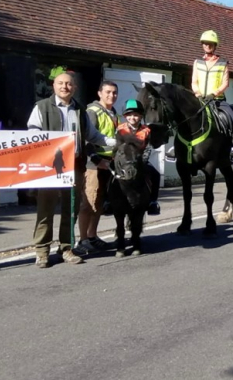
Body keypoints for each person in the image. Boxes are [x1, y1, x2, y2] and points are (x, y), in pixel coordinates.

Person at [27, 72, 116, 268]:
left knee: (70, 209)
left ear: (74, 87)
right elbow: (33, 132)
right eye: (61, 83)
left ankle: (66, 248)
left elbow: (94, 136)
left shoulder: (80, 110)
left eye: (68, 84)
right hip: (49, 169)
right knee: (46, 210)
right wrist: (49, 145)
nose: (65, 87)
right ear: (54, 86)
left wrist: (118, 142)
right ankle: (42, 251)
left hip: (74, 166)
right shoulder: (41, 107)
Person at [74, 81, 120, 256]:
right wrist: (96, 159)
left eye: (115, 93)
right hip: (94, 164)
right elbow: (86, 139)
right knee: (89, 203)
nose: (111, 96)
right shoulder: (92, 112)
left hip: (109, 163)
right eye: (108, 92)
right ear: (99, 93)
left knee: (99, 203)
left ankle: (92, 237)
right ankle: (83, 239)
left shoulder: (113, 112)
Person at [182, 30, 233, 163]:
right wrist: (198, 94)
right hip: (200, 100)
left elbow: (225, 83)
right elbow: (194, 82)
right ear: (202, 45)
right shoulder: (197, 62)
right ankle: (178, 148)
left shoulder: (223, 63)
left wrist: (213, 94)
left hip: (217, 101)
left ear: (215, 45)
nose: (207, 46)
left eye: (210, 44)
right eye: (205, 43)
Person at [116, 99, 162, 216]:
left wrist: (142, 160)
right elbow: (117, 146)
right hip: (123, 160)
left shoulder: (146, 130)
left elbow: (148, 148)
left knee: (155, 174)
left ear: (141, 116)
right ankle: (107, 201)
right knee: (109, 174)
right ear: (125, 116)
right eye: (130, 115)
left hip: (139, 160)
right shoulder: (120, 129)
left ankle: (153, 201)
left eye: (136, 115)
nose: (133, 118)